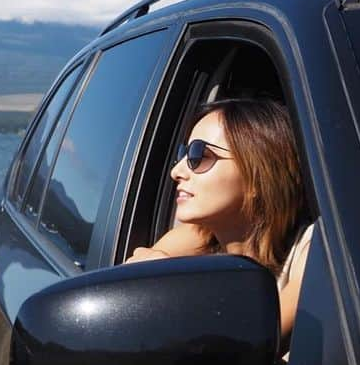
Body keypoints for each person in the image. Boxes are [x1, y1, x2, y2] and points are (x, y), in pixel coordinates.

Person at [126, 97, 314, 347]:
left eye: (198, 155)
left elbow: (254, 337)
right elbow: (139, 267)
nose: (177, 171)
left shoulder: (313, 251)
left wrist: (181, 295)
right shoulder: (203, 235)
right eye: (183, 153)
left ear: (257, 175)